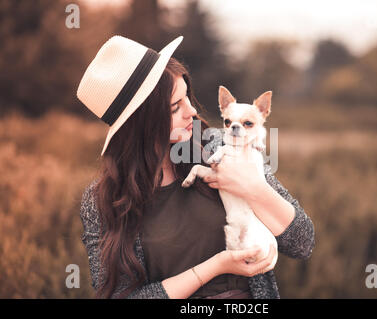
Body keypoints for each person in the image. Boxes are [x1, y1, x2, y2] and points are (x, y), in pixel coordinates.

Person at [77, 35, 315, 299]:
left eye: (187, 96)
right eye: (175, 107)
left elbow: (302, 242)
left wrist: (253, 188)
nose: (191, 110)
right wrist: (216, 267)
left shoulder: (219, 146)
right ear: (142, 122)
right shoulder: (101, 200)